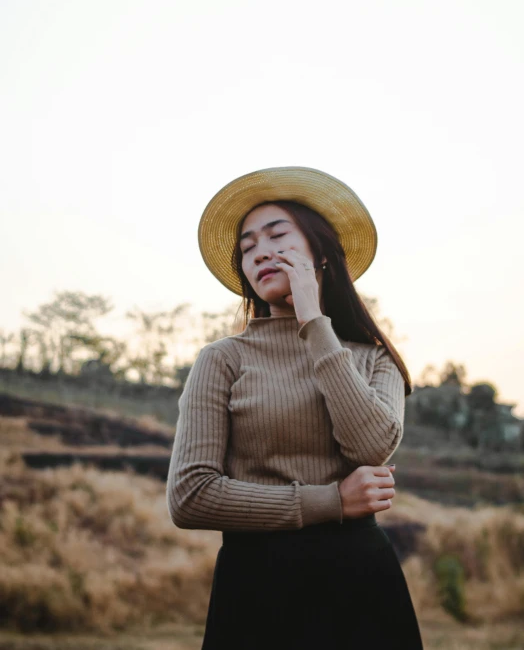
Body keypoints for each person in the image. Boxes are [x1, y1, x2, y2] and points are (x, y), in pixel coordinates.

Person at [166, 166, 424, 649]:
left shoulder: (375, 358)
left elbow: (370, 447)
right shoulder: (223, 359)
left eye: (277, 234)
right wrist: (331, 501)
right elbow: (190, 495)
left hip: (361, 582)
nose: (260, 251)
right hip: (257, 587)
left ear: (321, 251)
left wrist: (313, 321)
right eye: (247, 247)